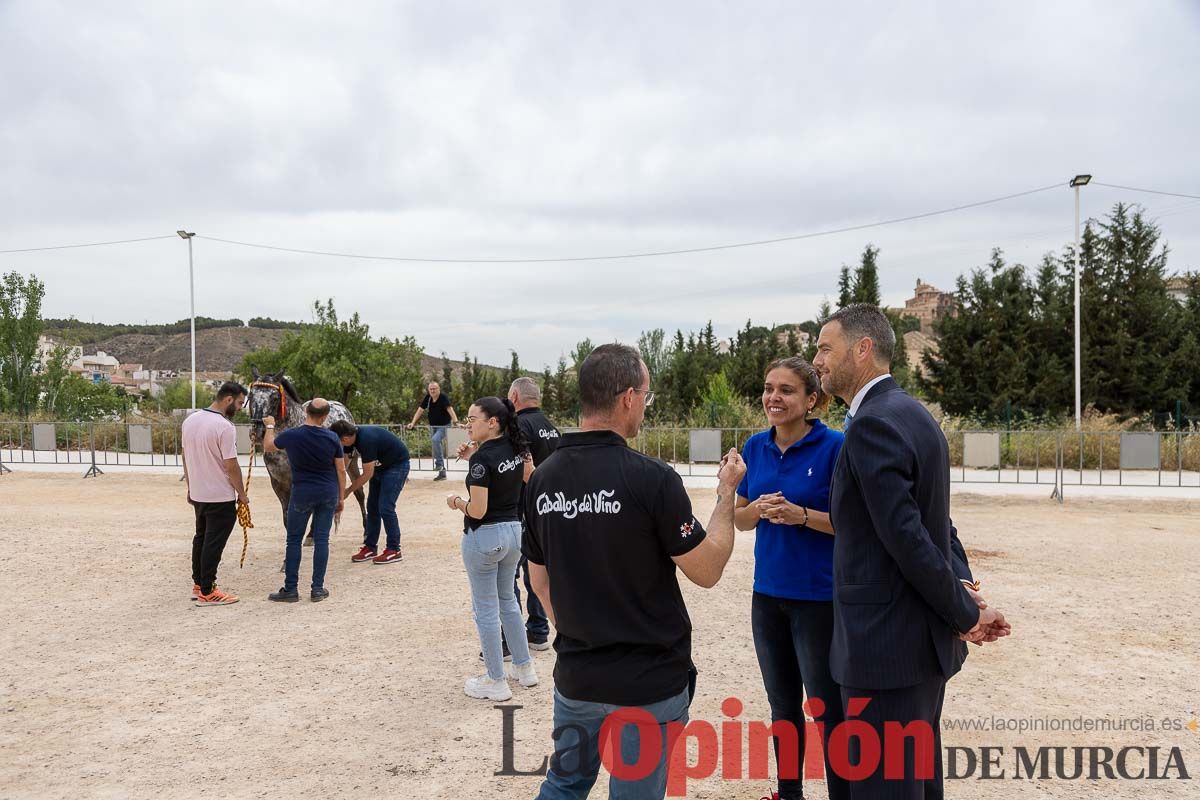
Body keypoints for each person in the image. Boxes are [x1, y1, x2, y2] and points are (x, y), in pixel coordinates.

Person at [524, 343, 746, 800]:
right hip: (647, 685)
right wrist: (727, 497)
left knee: (563, 786)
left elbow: (538, 581)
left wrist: (584, 635)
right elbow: (706, 570)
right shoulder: (651, 477)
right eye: (646, 394)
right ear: (628, 397)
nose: (645, 404)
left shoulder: (543, 478)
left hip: (578, 676)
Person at [812, 304, 1011, 798]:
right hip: (915, 650)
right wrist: (966, 592)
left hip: (885, 653)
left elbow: (907, 536)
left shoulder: (872, 424)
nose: (816, 359)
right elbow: (936, 523)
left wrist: (964, 612)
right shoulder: (914, 413)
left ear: (863, 350)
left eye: (824, 348)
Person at [734, 357, 848, 800]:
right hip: (767, 597)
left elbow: (850, 523)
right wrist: (758, 509)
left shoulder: (835, 447)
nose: (773, 398)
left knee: (826, 708)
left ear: (811, 399)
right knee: (782, 706)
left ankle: (844, 792)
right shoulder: (754, 447)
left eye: (786, 390)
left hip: (818, 599)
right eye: (768, 388)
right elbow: (740, 521)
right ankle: (789, 792)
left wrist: (801, 516)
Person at [445, 396, 535, 702]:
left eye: (472, 419)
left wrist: (457, 503)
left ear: (492, 422)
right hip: (513, 532)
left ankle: (496, 680)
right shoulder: (513, 449)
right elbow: (518, 475)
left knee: (485, 609)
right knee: (507, 600)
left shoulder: (483, 460)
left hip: (485, 536)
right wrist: (475, 455)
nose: (467, 425)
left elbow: (478, 510)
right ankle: (524, 668)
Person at [261, 399, 346, 602]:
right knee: (322, 540)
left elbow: (268, 446)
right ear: (325, 416)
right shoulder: (333, 437)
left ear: (306, 411)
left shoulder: (292, 435)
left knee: (293, 540)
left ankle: (290, 589)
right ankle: (317, 588)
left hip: (302, 492)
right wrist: (341, 497)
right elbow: (341, 470)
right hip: (327, 492)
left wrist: (270, 425)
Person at [182, 381, 249, 607]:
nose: (240, 408)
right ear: (228, 399)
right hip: (220, 495)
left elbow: (185, 456)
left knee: (201, 538)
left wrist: (190, 486)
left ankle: (199, 584)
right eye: (239, 403)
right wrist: (242, 494)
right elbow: (231, 465)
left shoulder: (190, 420)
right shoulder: (224, 427)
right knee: (213, 543)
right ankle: (208, 590)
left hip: (199, 492)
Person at [509, 376, 559, 650]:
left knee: (511, 574)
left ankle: (511, 639)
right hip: (547, 509)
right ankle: (538, 631)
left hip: (523, 507)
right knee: (537, 571)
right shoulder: (550, 426)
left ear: (515, 397)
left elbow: (527, 472)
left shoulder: (518, 425)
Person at [330, 421, 411, 565]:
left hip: (397, 466)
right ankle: (370, 547)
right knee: (372, 507)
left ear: (345, 438)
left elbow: (367, 474)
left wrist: (348, 491)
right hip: (381, 467)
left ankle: (394, 549)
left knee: (385, 507)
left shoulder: (367, 439)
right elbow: (345, 465)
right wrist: (338, 483)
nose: (338, 446)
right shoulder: (351, 440)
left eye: (338, 442)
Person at [408, 381, 458, 480]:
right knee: (435, 446)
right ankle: (442, 474)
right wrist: (413, 423)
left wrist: (456, 422)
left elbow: (450, 409)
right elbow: (420, 410)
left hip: (444, 426)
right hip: (433, 426)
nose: (432, 391)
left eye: (434, 389)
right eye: (430, 389)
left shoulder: (443, 397)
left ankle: (439, 464)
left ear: (438, 389)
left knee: (435, 440)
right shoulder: (428, 398)